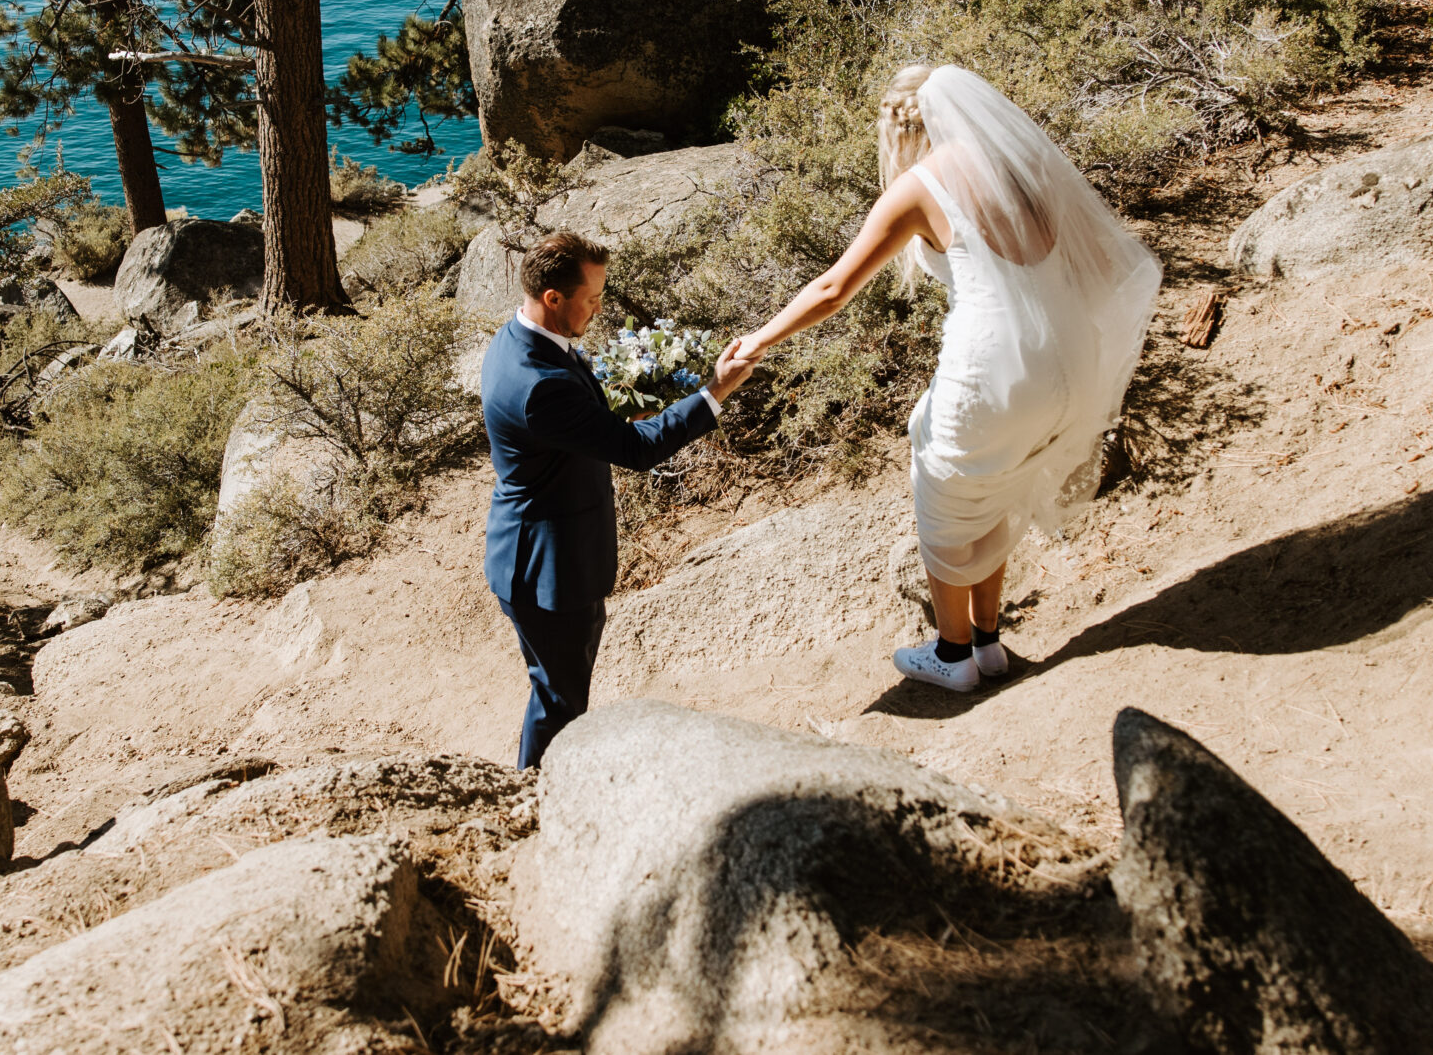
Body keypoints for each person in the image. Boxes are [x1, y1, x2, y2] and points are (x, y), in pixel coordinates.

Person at [719, 64, 1161, 693]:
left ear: (901, 129)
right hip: (1067, 358)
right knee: (995, 484)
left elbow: (833, 289)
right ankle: (988, 642)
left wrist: (759, 338)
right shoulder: (1018, 164)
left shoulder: (919, 185)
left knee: (945, 493)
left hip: (995, 368)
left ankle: (952, 656)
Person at [481, 230, 753, 769]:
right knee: (560, 700)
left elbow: (582, 430)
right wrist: (714, 391)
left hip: (534, 553)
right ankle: (535, 794)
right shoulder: (539, 384)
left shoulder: (520, 341)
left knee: (554, 689)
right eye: (592, 297)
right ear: (553, 298)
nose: (600, 307)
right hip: (548, 571)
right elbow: (633, 449)